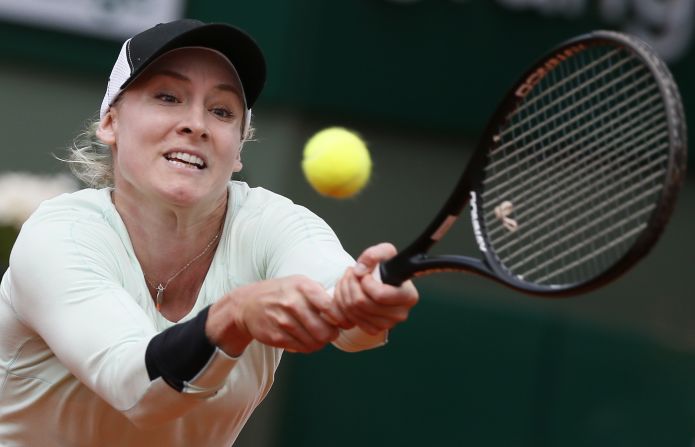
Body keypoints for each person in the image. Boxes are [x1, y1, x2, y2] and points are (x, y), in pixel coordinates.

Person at [0, 19, 419, 446]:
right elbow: (136, 386)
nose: (196, 124)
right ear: (110, 123)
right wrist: (233, 315)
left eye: (221, 111)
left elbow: (343, 311)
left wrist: (365, 302)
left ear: (238, 147)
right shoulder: (60, 237)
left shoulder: (271, 224)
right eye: (167, 97)